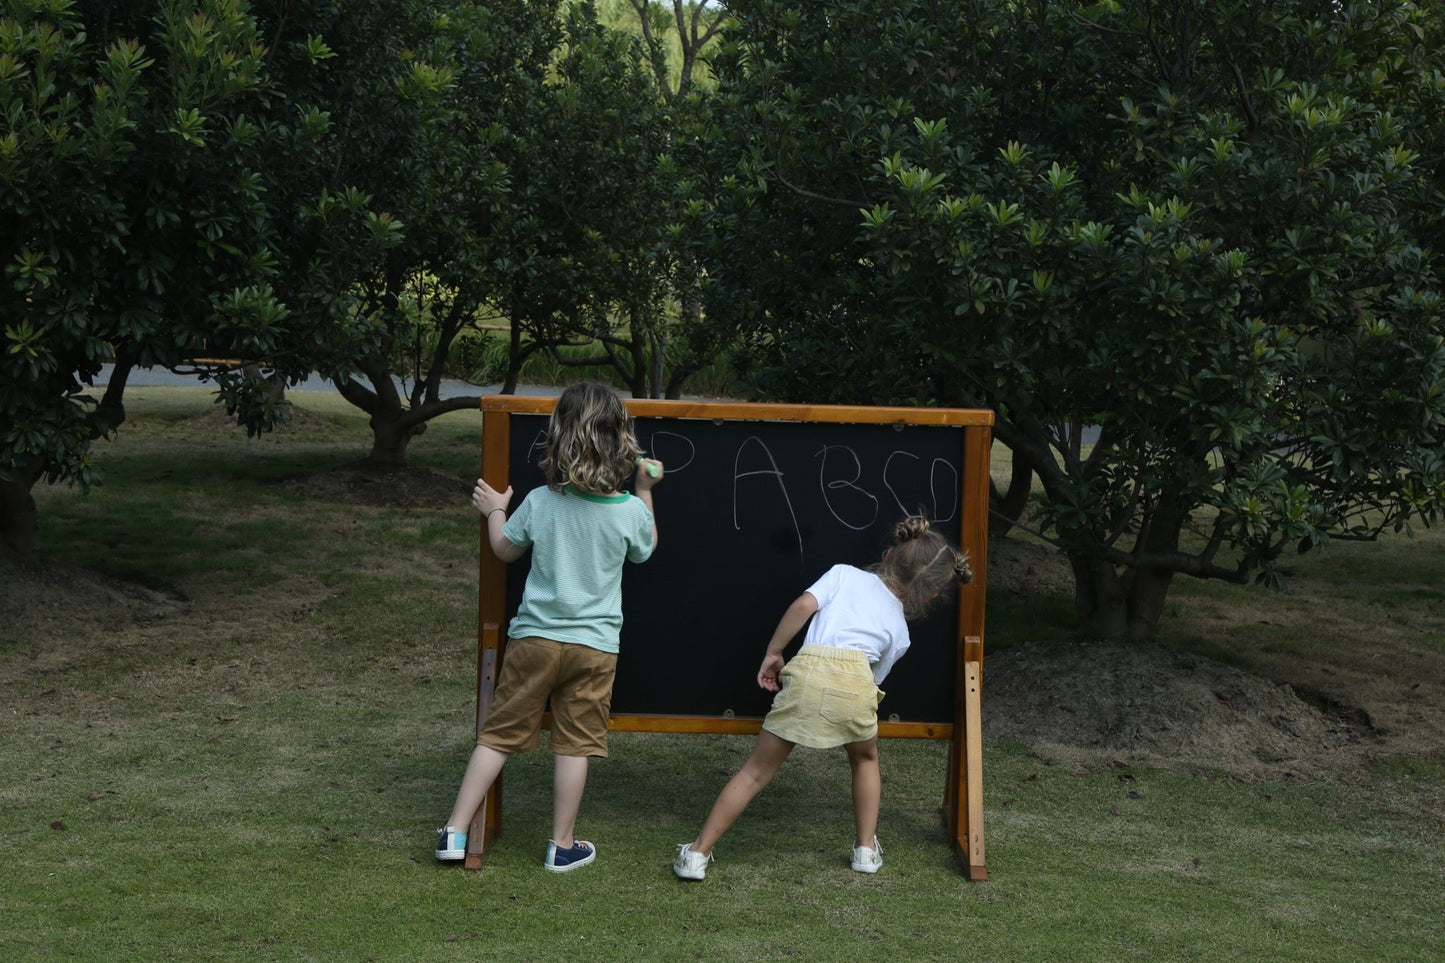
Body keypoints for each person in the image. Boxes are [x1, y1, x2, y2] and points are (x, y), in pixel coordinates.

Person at [435, 381, 662, 872]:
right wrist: (643, 490)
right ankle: (562, 844)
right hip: (595, 648)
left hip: (534, 640)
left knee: (497, 735)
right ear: (620, 441)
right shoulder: (627, 512)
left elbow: (504, 550)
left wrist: (496, 510)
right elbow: (646, 550)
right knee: (575, 743)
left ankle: (454, 832)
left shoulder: (540, 501)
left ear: (559, 439)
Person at [672, 516, 970, 880]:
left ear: (890, 553)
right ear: (931, 593)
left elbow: (802, 606)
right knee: (864, 759)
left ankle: (697, 853)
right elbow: (873, 679)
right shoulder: (901, 631)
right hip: (857, 683)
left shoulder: (843, 574)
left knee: (754, 772)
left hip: (809, 672)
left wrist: (774, 652)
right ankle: (865, 850)